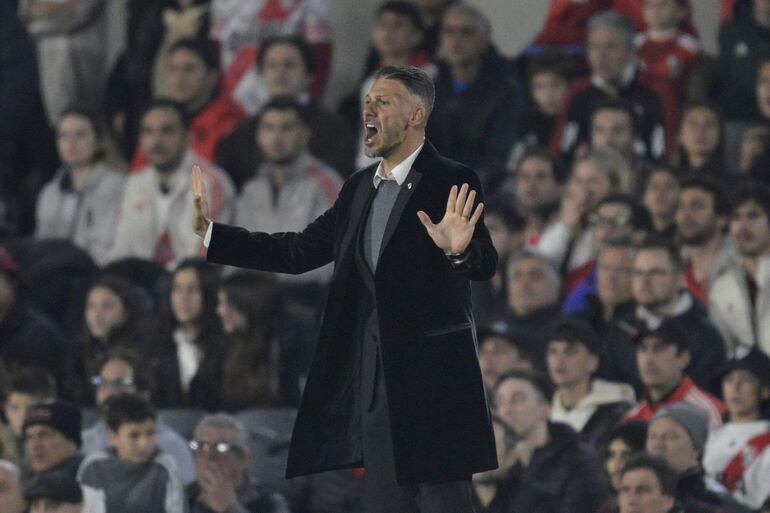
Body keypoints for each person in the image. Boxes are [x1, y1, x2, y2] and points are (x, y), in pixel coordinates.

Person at [192, 65, 497, 512]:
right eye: (367, 100)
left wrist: (458, 251)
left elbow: (484, 263)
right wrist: (212, 234)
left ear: (415, 115)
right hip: (375, 382)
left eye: (383, 101)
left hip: (433, 384)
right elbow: (297, 252)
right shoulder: (358, 189)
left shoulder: (450, 177)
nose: (368, 109)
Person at [215, 35, 355, 189]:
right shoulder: (243, 131)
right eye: (272, 65)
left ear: (309, 76)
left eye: (289, 65)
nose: (279, 73)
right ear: (261, 75)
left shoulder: (335, 129)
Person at [108, 99, 235, 268]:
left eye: (167, 131)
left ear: (188, 136)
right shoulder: (134, 183)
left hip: (194, 286)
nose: (156, 141)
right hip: (140, 284)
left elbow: (202, 259)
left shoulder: (209, 183)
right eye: (148, 132)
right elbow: (121, 249)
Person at [235, 97, 342, 288]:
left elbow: (332, 256)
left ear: (305, 134)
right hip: (258, 294)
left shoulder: (325, 183)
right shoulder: (252, 189)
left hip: (307, 294)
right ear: (258, 136)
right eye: (268, 128)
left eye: (286, 128)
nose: (276, 138)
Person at [550, 10, 678, 161]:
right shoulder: (577, 93)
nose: (600, 56)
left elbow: (667, 153)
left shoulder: (657, 91)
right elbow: (560, 153)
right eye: (594, 47)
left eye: (610, 47)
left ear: (631, 51)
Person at [601, 238, 727, 390]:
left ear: (681, 278)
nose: (644, 281)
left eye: (655, 273)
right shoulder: (621, 327)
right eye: (638, 272)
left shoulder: (705, 335)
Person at [492, 369, 610, 513]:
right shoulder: (499, 467)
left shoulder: (578, 460)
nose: (506, 410)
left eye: (517, 399)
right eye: (500, 402)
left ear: (545, 408)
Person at [427, 2, 519, 181]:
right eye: (449, 31)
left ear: (484, 40)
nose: (456, 40)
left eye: (466, 32)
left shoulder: (506, 91)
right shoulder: (428, 87)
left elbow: (498, 155)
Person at [80, 351, 196, 486]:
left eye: (121, 383)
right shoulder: (83, 444)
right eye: (102, 382)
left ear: (144, 393)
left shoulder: (171, 446)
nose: (110, 392)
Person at [131, 38, 245, 168]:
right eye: (173, 69)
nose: (179, 78)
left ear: (212, 76)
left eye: (189, 69)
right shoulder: (155, 120)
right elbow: (139, 174)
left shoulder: (230, 123)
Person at [35, 109, 125, 265]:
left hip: (99, 272)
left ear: (98, 141)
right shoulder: (49, 192)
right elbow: (42, 243)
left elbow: (112, 245)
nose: (71, 143)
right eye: (63, 135)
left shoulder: (117, 185)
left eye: (80, 135)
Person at [77, 393, 185, 513]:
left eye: (150, 433)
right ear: (112, 436)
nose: (144, 444)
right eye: (134, 436)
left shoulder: (165, 467)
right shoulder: (94, 468)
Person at [148, 259, 226, 410]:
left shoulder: (225, 343)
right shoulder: (155, 343)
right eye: (177, 289)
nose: (183, 298)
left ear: (209, 294)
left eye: (193, 289)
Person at [546, 317, 635, 447]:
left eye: (570, 352)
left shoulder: (617, 409)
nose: (559, 360)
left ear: (592, 362)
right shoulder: (542, 411)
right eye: (553, 352)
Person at [646, 402, 747, 513]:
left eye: (671, 437)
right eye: (652, 436)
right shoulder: (631, 491)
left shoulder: (716, 501)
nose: (658, 445)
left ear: (696, 449)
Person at [63, 275, 148, 405]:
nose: (97, 315)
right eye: (91, 306)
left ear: (125, 312)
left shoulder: (142, 349)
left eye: (106, 306)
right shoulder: (77, 351)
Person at [623, 321, 726, 427]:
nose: (649, 359)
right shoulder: (631, 418)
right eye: (642, 348)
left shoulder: (706, 413)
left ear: (683, 358)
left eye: (658, 348)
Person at [704, 349, 770, 510]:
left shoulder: (766, 438)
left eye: (746, 380)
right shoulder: (710, 435)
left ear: (765, 390)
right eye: (729, 379)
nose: (735, 387)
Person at [709, 182, 770, 357]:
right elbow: (726, 350)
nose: (743, 225)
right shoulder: (721, 288)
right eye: (736, 217)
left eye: (753, 216)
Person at [187, 414, 290, 513]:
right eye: (201, 447)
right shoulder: (184, 497)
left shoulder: (269, 501)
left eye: (221, 448)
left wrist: (230, 507)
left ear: (243, 459)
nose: (209, 457)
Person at [675, 177, 733, 305]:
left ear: (722, 219)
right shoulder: (674, 266)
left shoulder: (741, 266)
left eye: (697, 206)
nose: (686, 215)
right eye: (681, 206)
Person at [634, 0, 700, 92]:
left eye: (664, 4)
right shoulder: (634, 44)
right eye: (650, 5)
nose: (656, 9)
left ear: (681, 12)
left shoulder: (689, 46)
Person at [23, 400, 83, 480]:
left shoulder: (89, 479)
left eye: (44, 435)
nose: (35, 445)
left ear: (71, 441)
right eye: (29, 437)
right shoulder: (26, 482)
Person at [643, 166, 681, 241]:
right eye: (655, 187)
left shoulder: (688, 238)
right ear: (644, 198)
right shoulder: (639, 239)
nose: (661, 193)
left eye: (669, 187)